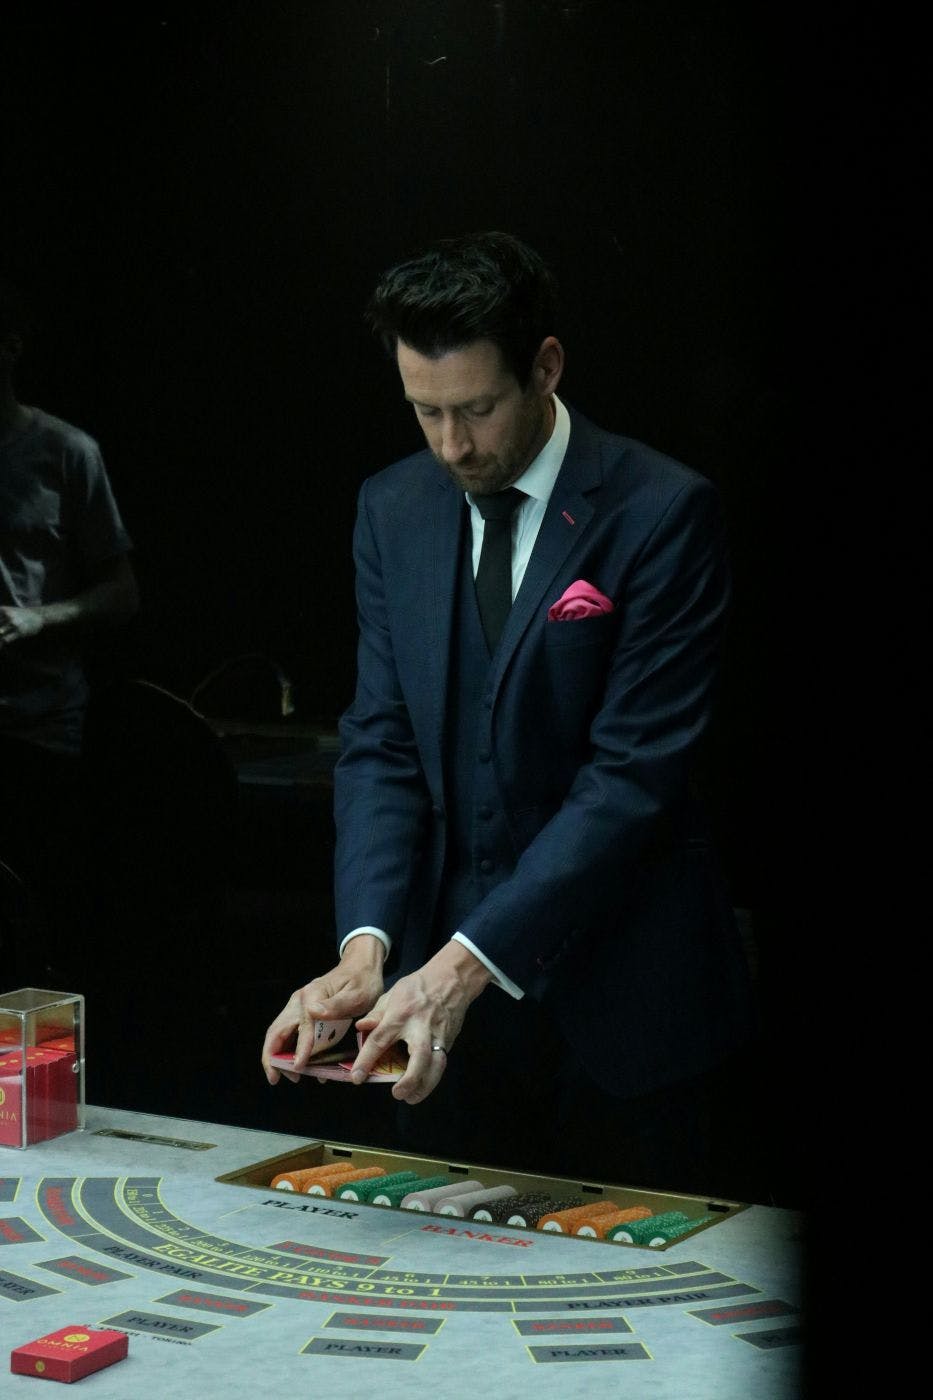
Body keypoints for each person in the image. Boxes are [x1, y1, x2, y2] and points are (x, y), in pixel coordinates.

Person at [262, 232, 754, 1193]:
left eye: (477, 409)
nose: (452, 446)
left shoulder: (661, 511)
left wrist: (458, 965)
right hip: (450, 1032)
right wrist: (366, 950)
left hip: (629, 1018)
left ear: (545, 368)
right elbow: (381, 743)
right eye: (424, 412)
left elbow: (630, 781)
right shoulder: (390, 507)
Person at [0, 278, 139, 980]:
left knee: (40, 940)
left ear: (12, 346)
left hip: (37, 730)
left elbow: (122, 592)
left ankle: (43, 1087)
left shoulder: (65, 452)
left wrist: (37, 618)